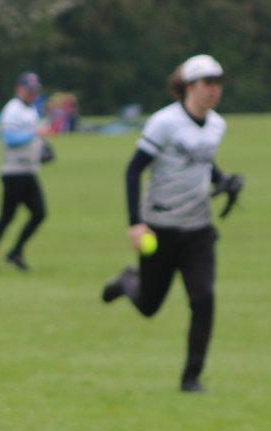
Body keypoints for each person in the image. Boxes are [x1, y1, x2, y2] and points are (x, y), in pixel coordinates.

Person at [99, 54, 244, 394]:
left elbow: (202, 161)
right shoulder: (164, 123)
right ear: (189, 86)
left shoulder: (217, 125)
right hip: (159, 229)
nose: (214, 91)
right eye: (208, 84)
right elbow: (134, 169)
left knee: (203, 298)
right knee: (149, 306)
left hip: (198, 230)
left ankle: (190, 378)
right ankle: (126, 282)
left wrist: (223, 181)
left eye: (218, 84)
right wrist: (135, 224)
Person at [0, 72, 50, 271]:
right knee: (7, 217)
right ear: (19, 88)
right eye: (29, 90)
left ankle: (15, 252)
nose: (32, 94)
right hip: (14, 172)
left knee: (39, 214)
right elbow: (9, 139)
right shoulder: (12, 110)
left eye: (35, 90)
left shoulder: (31, 110)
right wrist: (34, 133)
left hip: (29, 170)